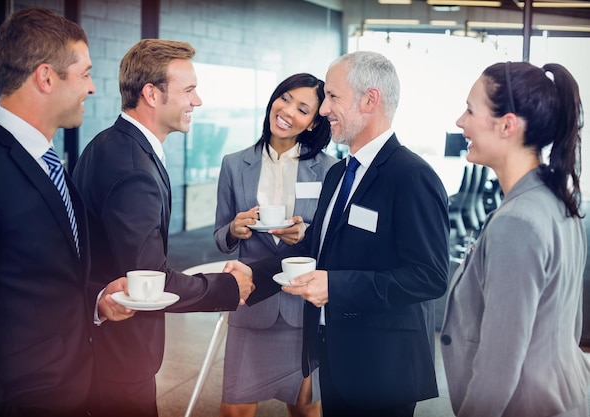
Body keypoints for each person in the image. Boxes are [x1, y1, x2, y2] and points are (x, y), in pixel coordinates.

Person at [227, 51, 450, 417]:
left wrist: (336, 286)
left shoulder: (412, 177)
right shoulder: (340, 173)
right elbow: (318, 247)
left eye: (333, 97)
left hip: (382, 369)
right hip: (336, 357)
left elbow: (429, 277)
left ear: (370, 100)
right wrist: (256, 274)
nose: (323, 109)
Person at [0, 7, 134, 417]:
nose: (92, 88)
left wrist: (95, 300)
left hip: (75, 387)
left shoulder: (48, 160)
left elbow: (39, 282)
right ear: (45, 77)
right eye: (85, 73)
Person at [72, 39, 255, 417]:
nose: (197, 101)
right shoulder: (135, 170)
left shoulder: (106, 144)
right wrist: (228, 288)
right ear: (151, 94)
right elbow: (149, 282)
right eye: (189, 90)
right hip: (120, 358)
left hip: (99, 350)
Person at [440, 61, 590, 417]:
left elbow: (498, 364)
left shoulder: (517, 222)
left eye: (470, 110)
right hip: (565, 392)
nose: (460, 121)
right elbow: (572, 324)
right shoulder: (558, 200)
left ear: (507, 124)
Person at [214, 73, 337, 417]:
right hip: (251, 304)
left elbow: (333, 239)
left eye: (302, 108)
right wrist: (234, 229)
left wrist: (305, 234)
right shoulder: (234, 164)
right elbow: (220, 236)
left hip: (302, 308)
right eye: (284, 98)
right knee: (234, 408)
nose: (286, 111)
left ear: (313, 122)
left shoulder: (330, 171)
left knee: (305, 409)